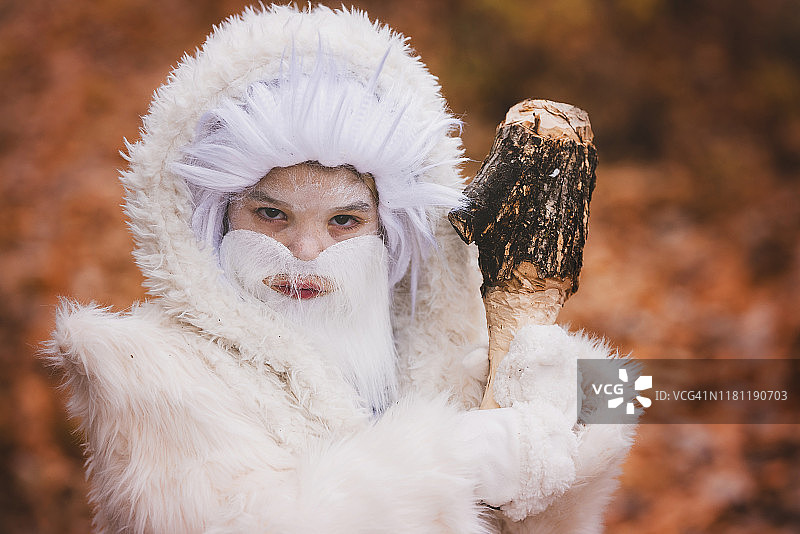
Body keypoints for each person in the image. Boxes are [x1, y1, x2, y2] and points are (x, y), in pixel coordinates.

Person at [47, 5, 636, 533]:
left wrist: (568, 435)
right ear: (216, 220)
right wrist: (460, 457)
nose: (306, 252)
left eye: (344, 221)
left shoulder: (443, 357)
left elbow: (631, 407)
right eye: (271, 214)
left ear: (386, 232)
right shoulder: (145, 371)